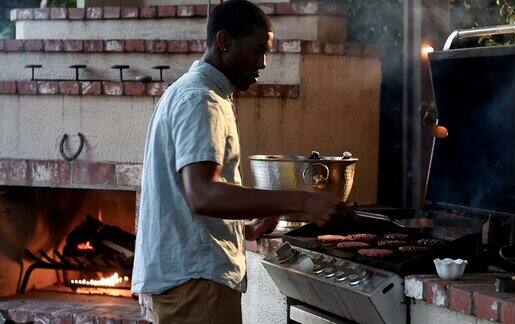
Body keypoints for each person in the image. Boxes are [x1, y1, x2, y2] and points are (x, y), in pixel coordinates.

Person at [131, 1, 355, 323]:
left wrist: (244, 229)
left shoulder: (189, 92)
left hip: (188, 282)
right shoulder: (201, 99)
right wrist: (304, 201)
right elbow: (203, 195)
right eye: (256, 50)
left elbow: (189, 195)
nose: (262, 63)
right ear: (224, 42)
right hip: (198, 285)